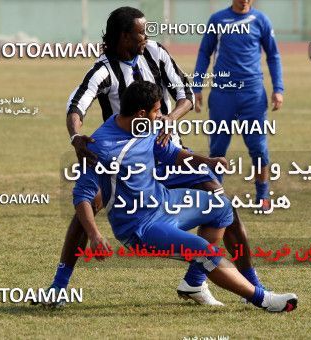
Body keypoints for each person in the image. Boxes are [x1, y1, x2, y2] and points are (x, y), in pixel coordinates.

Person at [47, 6, 270, 307]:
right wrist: (76, 137)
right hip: (125, 162)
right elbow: (76, 107)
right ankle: (59, 287)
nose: (146, 37)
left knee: (223, 204)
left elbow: (186, 94)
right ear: (124, 36)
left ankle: (229, 284)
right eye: (141, 32)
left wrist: (170, 118)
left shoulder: (155, 52)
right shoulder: (103, 70)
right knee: (86, 207)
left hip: (170, 151)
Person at [72, 81, 298, 312]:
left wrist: (207, 161)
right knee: (203, 251)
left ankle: (194, 283)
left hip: (166, 203)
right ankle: (263, 299)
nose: (161, 116)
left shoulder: (144, 126)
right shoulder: (102, 148)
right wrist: (95, 235)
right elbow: (82, 195)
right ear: (141, 113)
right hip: (139, 228)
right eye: (157, 110)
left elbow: (168, 153)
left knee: (222, 208)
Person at [193, 0, 284, 209]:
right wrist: (196, 87)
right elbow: (204, 53)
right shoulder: (217, 19)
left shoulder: (261, 20)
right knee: (217, 149)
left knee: (258, 148)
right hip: (222, 94)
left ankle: (263, 195)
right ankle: (217, 198)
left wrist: (278, 88)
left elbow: (274, 55)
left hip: (252, 94)